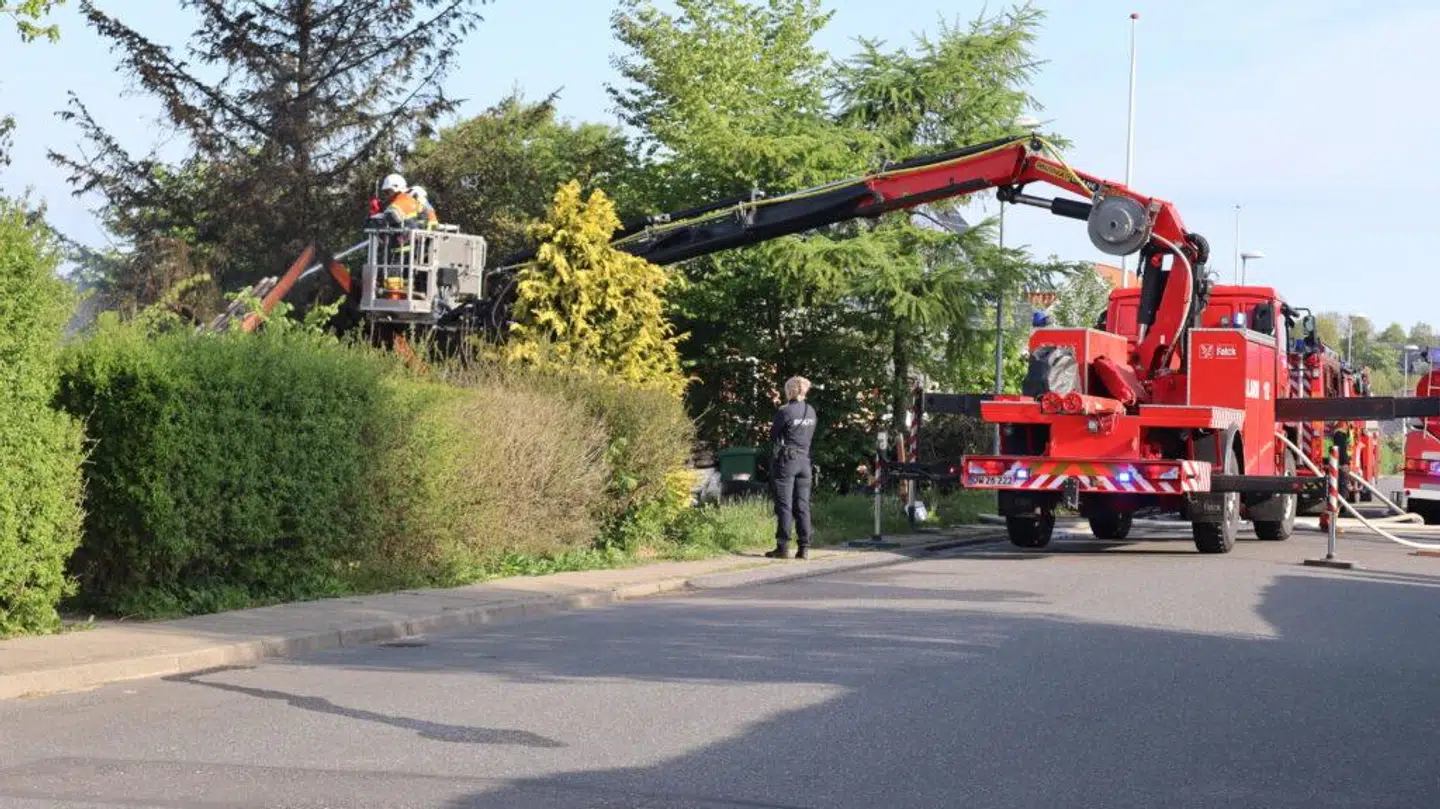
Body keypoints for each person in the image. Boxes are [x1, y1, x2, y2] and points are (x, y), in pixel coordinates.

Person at [767, 375, 817, 560]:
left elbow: (774, 436)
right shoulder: (811, 411)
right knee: (803, 505)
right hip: (805, 461)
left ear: (790, 391)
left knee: (785, 505)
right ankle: (804, 548)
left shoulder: (785, 411)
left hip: (787, 461)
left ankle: (782, 547)